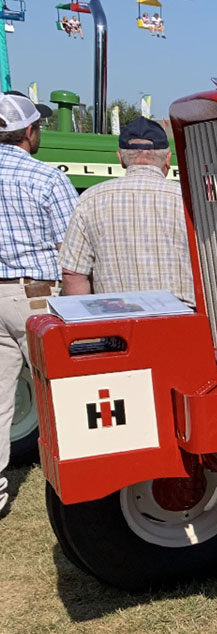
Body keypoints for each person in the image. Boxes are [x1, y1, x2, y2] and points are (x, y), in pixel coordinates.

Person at [0, 92, 78, 514]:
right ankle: (80, 480)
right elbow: (72, 251)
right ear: (30, 131)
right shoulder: (46, 179)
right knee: (61, 392)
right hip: (36, 297)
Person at [59, 117, 194, 303]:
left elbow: (73, 274)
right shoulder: (189, 200)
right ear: (168, 158)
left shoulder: (89, 200)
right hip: (183, 320)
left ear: (120, 158)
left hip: (116, 322)